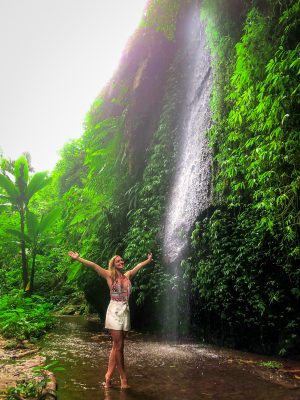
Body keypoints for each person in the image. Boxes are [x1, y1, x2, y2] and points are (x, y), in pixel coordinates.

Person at [68, 251, 153, 389]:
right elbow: (94, 266)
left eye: (122, 260)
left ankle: (108, 376)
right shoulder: (109, 275)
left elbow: (138, 266)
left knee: (117, 346)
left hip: (125, 312)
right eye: (118, 261)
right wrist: (78, 259)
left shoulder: (128, 275)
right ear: (113, 264)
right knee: (119, 347)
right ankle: (123, 379)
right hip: (114, 311)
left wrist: (148, 260)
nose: (121, 262)